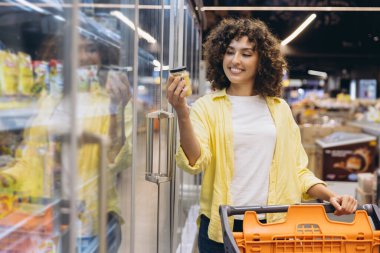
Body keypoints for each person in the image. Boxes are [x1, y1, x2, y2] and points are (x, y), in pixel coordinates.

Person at [167, 18, 357, 253]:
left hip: (274, 226)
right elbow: (195, 162)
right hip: (224, 225)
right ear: (220, 56)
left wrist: (330, 195)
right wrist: (182, 114)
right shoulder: (208, 107)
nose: (235, 61)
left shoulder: (280, 109)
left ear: (261, 61)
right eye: (230, 52)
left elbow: (297, 171)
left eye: (246, 54)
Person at [0, 34, 132, 252]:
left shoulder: (110, 101)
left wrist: (114, 109)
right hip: (45, 219)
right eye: (74, 49)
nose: (82, 57)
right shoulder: (48, 98)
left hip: (89, 226)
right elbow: (29, 158)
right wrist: (7, 177)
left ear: (103, 55)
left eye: (90, 49)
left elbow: (117, 161)